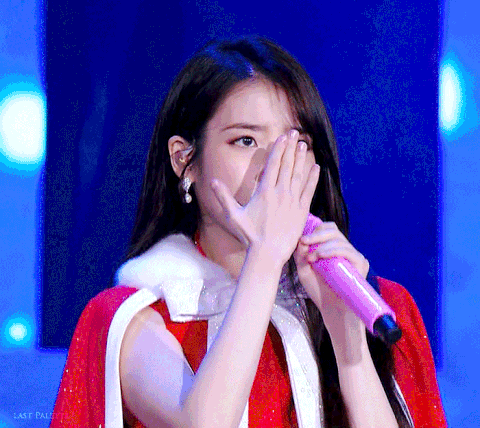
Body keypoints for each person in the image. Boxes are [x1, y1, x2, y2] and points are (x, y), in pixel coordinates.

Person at [50, 36, 447, 428]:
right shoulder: (133, 317)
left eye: (297, 142)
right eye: (245, 140)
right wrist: (266, 255)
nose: (274, 165)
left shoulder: (384, 305)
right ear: (184, 159)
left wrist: (349, 346)